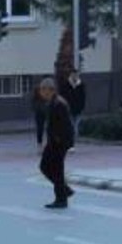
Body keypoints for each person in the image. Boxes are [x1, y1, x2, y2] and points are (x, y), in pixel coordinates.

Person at [37, 77, 75, 209]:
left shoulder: (59, 104)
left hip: (58, 143)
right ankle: (64, 191)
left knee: (57, 170)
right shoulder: (52, 102)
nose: (41, 92)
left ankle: (61, 199)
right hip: (53, 141)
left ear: (50, 90)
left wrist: (63, 141)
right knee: (45, 167)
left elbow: (66, 126)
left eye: (43, 89)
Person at [31, 84, 47, 149]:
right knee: (40, 129)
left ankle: (41, 144)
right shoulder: (36, 97)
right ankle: (40, 144)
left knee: (43, 129)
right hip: (39, 114)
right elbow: (33, 106)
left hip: (45, 113)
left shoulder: (46, 95)